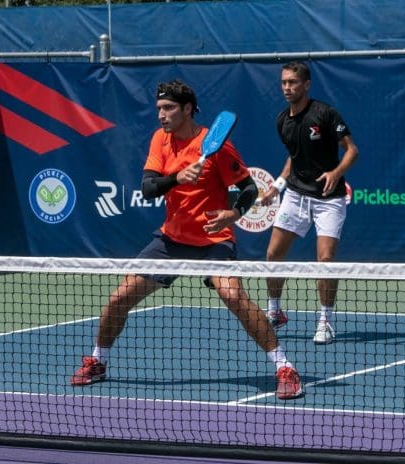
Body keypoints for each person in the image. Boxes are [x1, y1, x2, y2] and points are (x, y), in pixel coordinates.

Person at [70, 79, 303, 400]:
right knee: (118, 299)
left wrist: (234, 215)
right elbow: (149, 187)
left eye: (168, 109)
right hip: (171, 241)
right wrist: (177, 177)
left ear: (188, 109)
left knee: (234, 297)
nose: (161, 115)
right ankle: (98, 360)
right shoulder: (160, 140)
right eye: (159, 109)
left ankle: (284, 367)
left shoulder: (215, 145)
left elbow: (248, 188)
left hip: (213, 240)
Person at [259, 61, 359, 345]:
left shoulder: (325, 114)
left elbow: (352, 150)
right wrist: (276, 186)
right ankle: (275, 311)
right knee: (273, 254)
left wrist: (336, 172)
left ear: (306, 85)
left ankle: (325, 320)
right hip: (296, 196)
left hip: (329, 200)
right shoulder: (282, 121)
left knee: (325, 260)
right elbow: (295, 156)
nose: (287, 88)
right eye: (283, 83)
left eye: (292, 82)